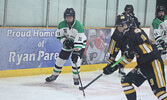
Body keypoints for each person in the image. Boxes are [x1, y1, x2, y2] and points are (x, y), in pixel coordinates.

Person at [103, 14, 167, 100]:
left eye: (120, 25)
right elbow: (129, 57)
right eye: (118, 25)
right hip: (143, 65)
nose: (118, 28)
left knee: (159, 92)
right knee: (125, 81)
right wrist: (115, 66)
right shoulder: (125, 37)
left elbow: (148, 50)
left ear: (127, 25)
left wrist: (133, 49)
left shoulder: (136, 32)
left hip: (153, 63)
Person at [45, 8, 87, 85]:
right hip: (68, 42)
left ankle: (76, 77)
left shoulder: (79, 26)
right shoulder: (61, 25)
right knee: (60, 59)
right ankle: (54, 75)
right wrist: (64, 41)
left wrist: (76, 52)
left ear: (73, 17)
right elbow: (59, 36)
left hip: (79, 43)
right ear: (65, 17)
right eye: (67, 17)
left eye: (70, 17)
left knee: (75, 60)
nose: (68, 19)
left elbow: (79, 40)